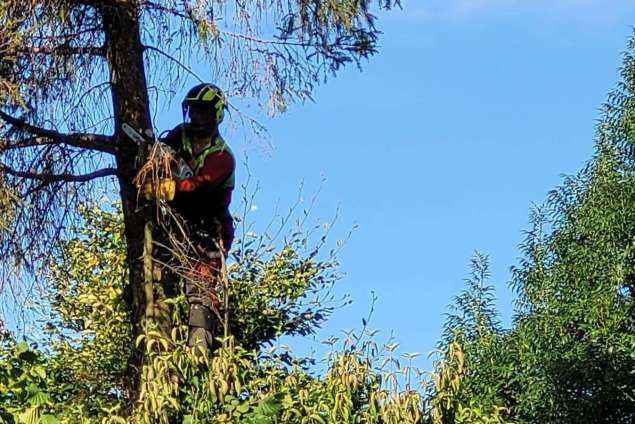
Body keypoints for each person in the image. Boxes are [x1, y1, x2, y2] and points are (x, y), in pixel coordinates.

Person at [154, 83, 236, 354]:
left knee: (199, 289)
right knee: (160, 278)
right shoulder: (181, 135)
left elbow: (198, 187)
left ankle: (200, 350)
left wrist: (168, 189)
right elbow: (160, 153)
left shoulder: (222, 157)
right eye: (194, 111)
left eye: (204, 112)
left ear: (215, 115)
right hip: (178, 224)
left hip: (208, 230)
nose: (198, 118)